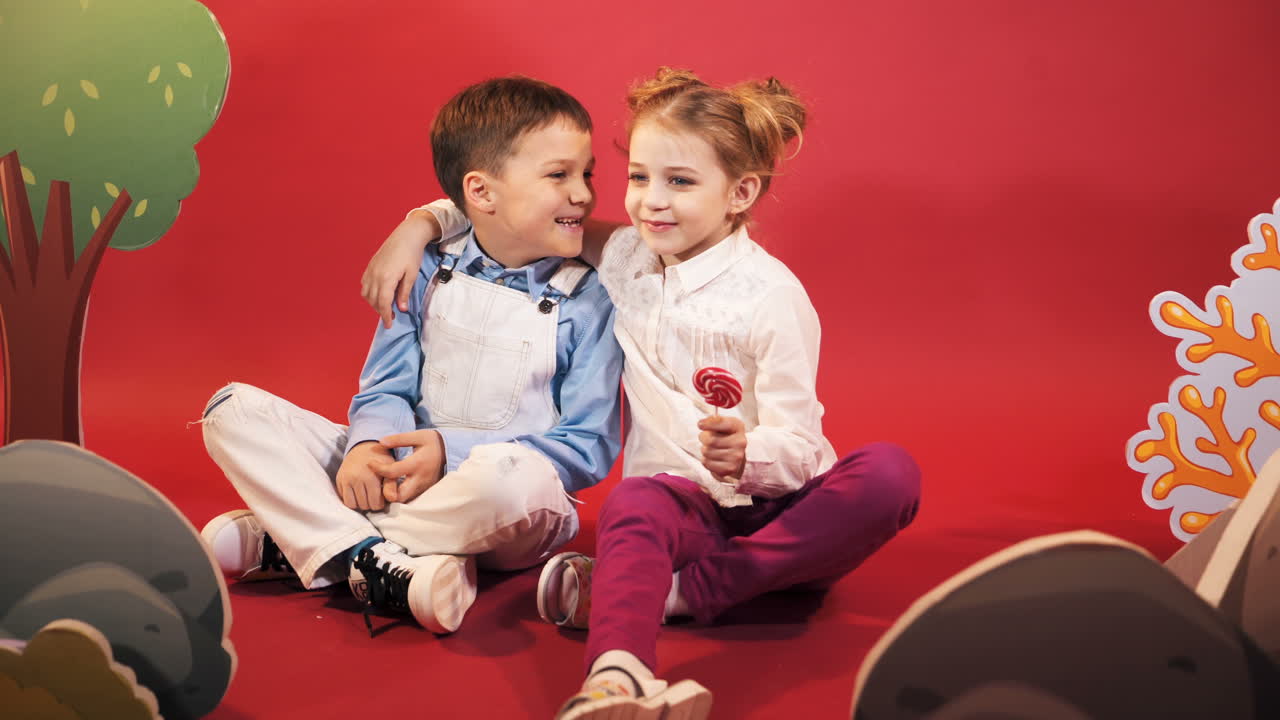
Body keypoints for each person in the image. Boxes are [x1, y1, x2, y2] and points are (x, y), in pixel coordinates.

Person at [362, 68, 921, 718]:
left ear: (740, 192)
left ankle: (688, 593)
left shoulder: (772, 297)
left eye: (680, 182)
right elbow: (512, 212)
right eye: (638, 177)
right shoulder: (628, 257)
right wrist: (417, 226)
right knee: (631, 503)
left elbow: (800, 442)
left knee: (890, 472)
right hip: (684, 509)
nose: (651, 201)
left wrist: (750, 454)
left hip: (783, 516)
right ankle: (616, 681)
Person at [198, 76, 624, 636]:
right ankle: (387, 564)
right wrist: (368, 449)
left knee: (511, 481)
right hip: (401, 478)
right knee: (232, 410)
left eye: (586, 173)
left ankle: (312, 539)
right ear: (481, 192)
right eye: (558, 175)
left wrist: (448, 453)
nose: (584, 194)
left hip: (500, 501)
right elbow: (385, 389)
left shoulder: (592, 296)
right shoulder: (425, 267)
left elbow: (588, 445)